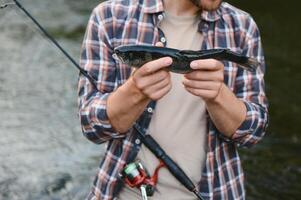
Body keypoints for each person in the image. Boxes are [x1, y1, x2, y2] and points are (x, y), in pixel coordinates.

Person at [78, 0, 268, 199]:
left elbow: (253, 133)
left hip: (217, 191)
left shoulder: (243, 26)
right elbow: (92, 127)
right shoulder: (109, 16)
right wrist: (134, 91)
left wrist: (219, 95)